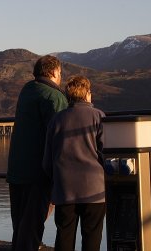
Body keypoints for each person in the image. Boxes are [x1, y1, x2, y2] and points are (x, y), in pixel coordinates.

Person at [7, 55, 68, 251]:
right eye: (60, 73)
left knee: (20, 224)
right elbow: (60, 135)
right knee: (33, 224)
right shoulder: (54, 97)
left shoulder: (27, 90)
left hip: (17, 168)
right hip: (38, 171)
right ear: (54, 72)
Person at [42, 76, 106, 251]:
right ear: (86, 94)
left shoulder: (56, 120)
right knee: (92, 236)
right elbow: (105, 153)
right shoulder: (99, 116)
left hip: (64, 189)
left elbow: (47, 161)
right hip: (94, 189)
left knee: (64, 235)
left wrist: (56, 179)